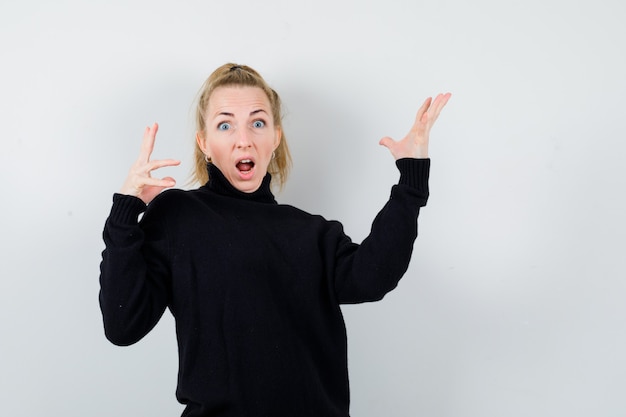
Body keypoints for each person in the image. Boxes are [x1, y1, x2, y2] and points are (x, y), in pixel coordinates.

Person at [99, 63, 451, 417]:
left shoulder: (312, 232)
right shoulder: (178, 215)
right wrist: (125, 212)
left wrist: (411, 180)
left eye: (258, 122)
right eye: (225, 124)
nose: (244, 139)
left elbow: (372, 278)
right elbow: (123, 324)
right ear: (204, 144)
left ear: (275, 138)